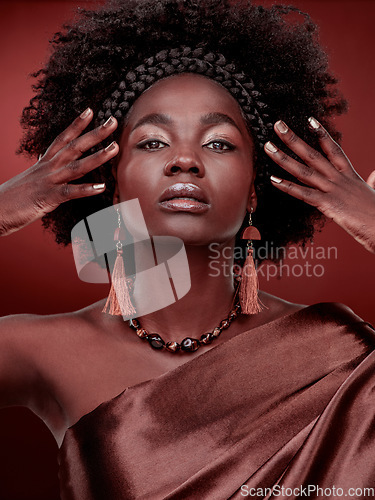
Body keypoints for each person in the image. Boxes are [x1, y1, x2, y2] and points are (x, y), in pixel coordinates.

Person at [1, 0, 375, 498]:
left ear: (255, 192)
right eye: (153, 142)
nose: (184, 160)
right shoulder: (41, 352)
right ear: (113, 186)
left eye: (218, 143)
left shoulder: (341, 351)